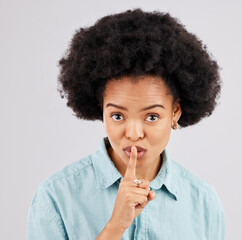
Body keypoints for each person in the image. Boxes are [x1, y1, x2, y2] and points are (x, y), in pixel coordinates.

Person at [27, 8, 225, 240]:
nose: (133, 134)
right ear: (101, 111)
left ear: (175, 113)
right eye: (118, 116)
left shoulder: (204, 203)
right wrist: (115, 226)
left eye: (151, 117)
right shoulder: (56, 198)